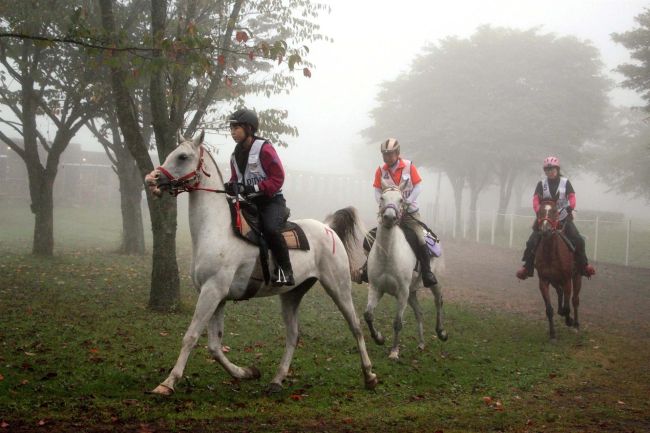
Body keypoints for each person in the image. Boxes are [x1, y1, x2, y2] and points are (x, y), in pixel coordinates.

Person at [224, 108, 294, 286]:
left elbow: (278, 178)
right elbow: (236, 179)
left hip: (272, 202)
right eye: (231, 129)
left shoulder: (264, 149)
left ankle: (286, 271)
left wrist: (254, 187)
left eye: (236, 128)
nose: (233, 132)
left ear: (249, 128)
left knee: (270, 229)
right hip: (250, 203)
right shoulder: (234, 156)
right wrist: (232, 186)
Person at [355, 138, 437, 288]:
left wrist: (407, 202)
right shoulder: (380, 170)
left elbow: (418, 187)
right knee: (373, 238)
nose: (387, 157)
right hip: (389, 215)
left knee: (420, 237)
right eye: (385, 154)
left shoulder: (409, 166)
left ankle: (427, 272)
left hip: (410, 214)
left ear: (397, 153)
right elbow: (377, 190)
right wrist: (383, 205)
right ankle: (367, 269)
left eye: (390, 154)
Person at [516, 156, 596, 280]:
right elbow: (536, 200)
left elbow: (572, 197)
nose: (550, 172)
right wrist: (538, 210)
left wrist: (570, 207)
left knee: (579, 240)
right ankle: (527, 267)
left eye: (552, 169)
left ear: (557, 169)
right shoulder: (541, 184)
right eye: (547, 170)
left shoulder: (565, 182)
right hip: (546, 218)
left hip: (563, 217)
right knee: (531, 241)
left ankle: (583, 266)